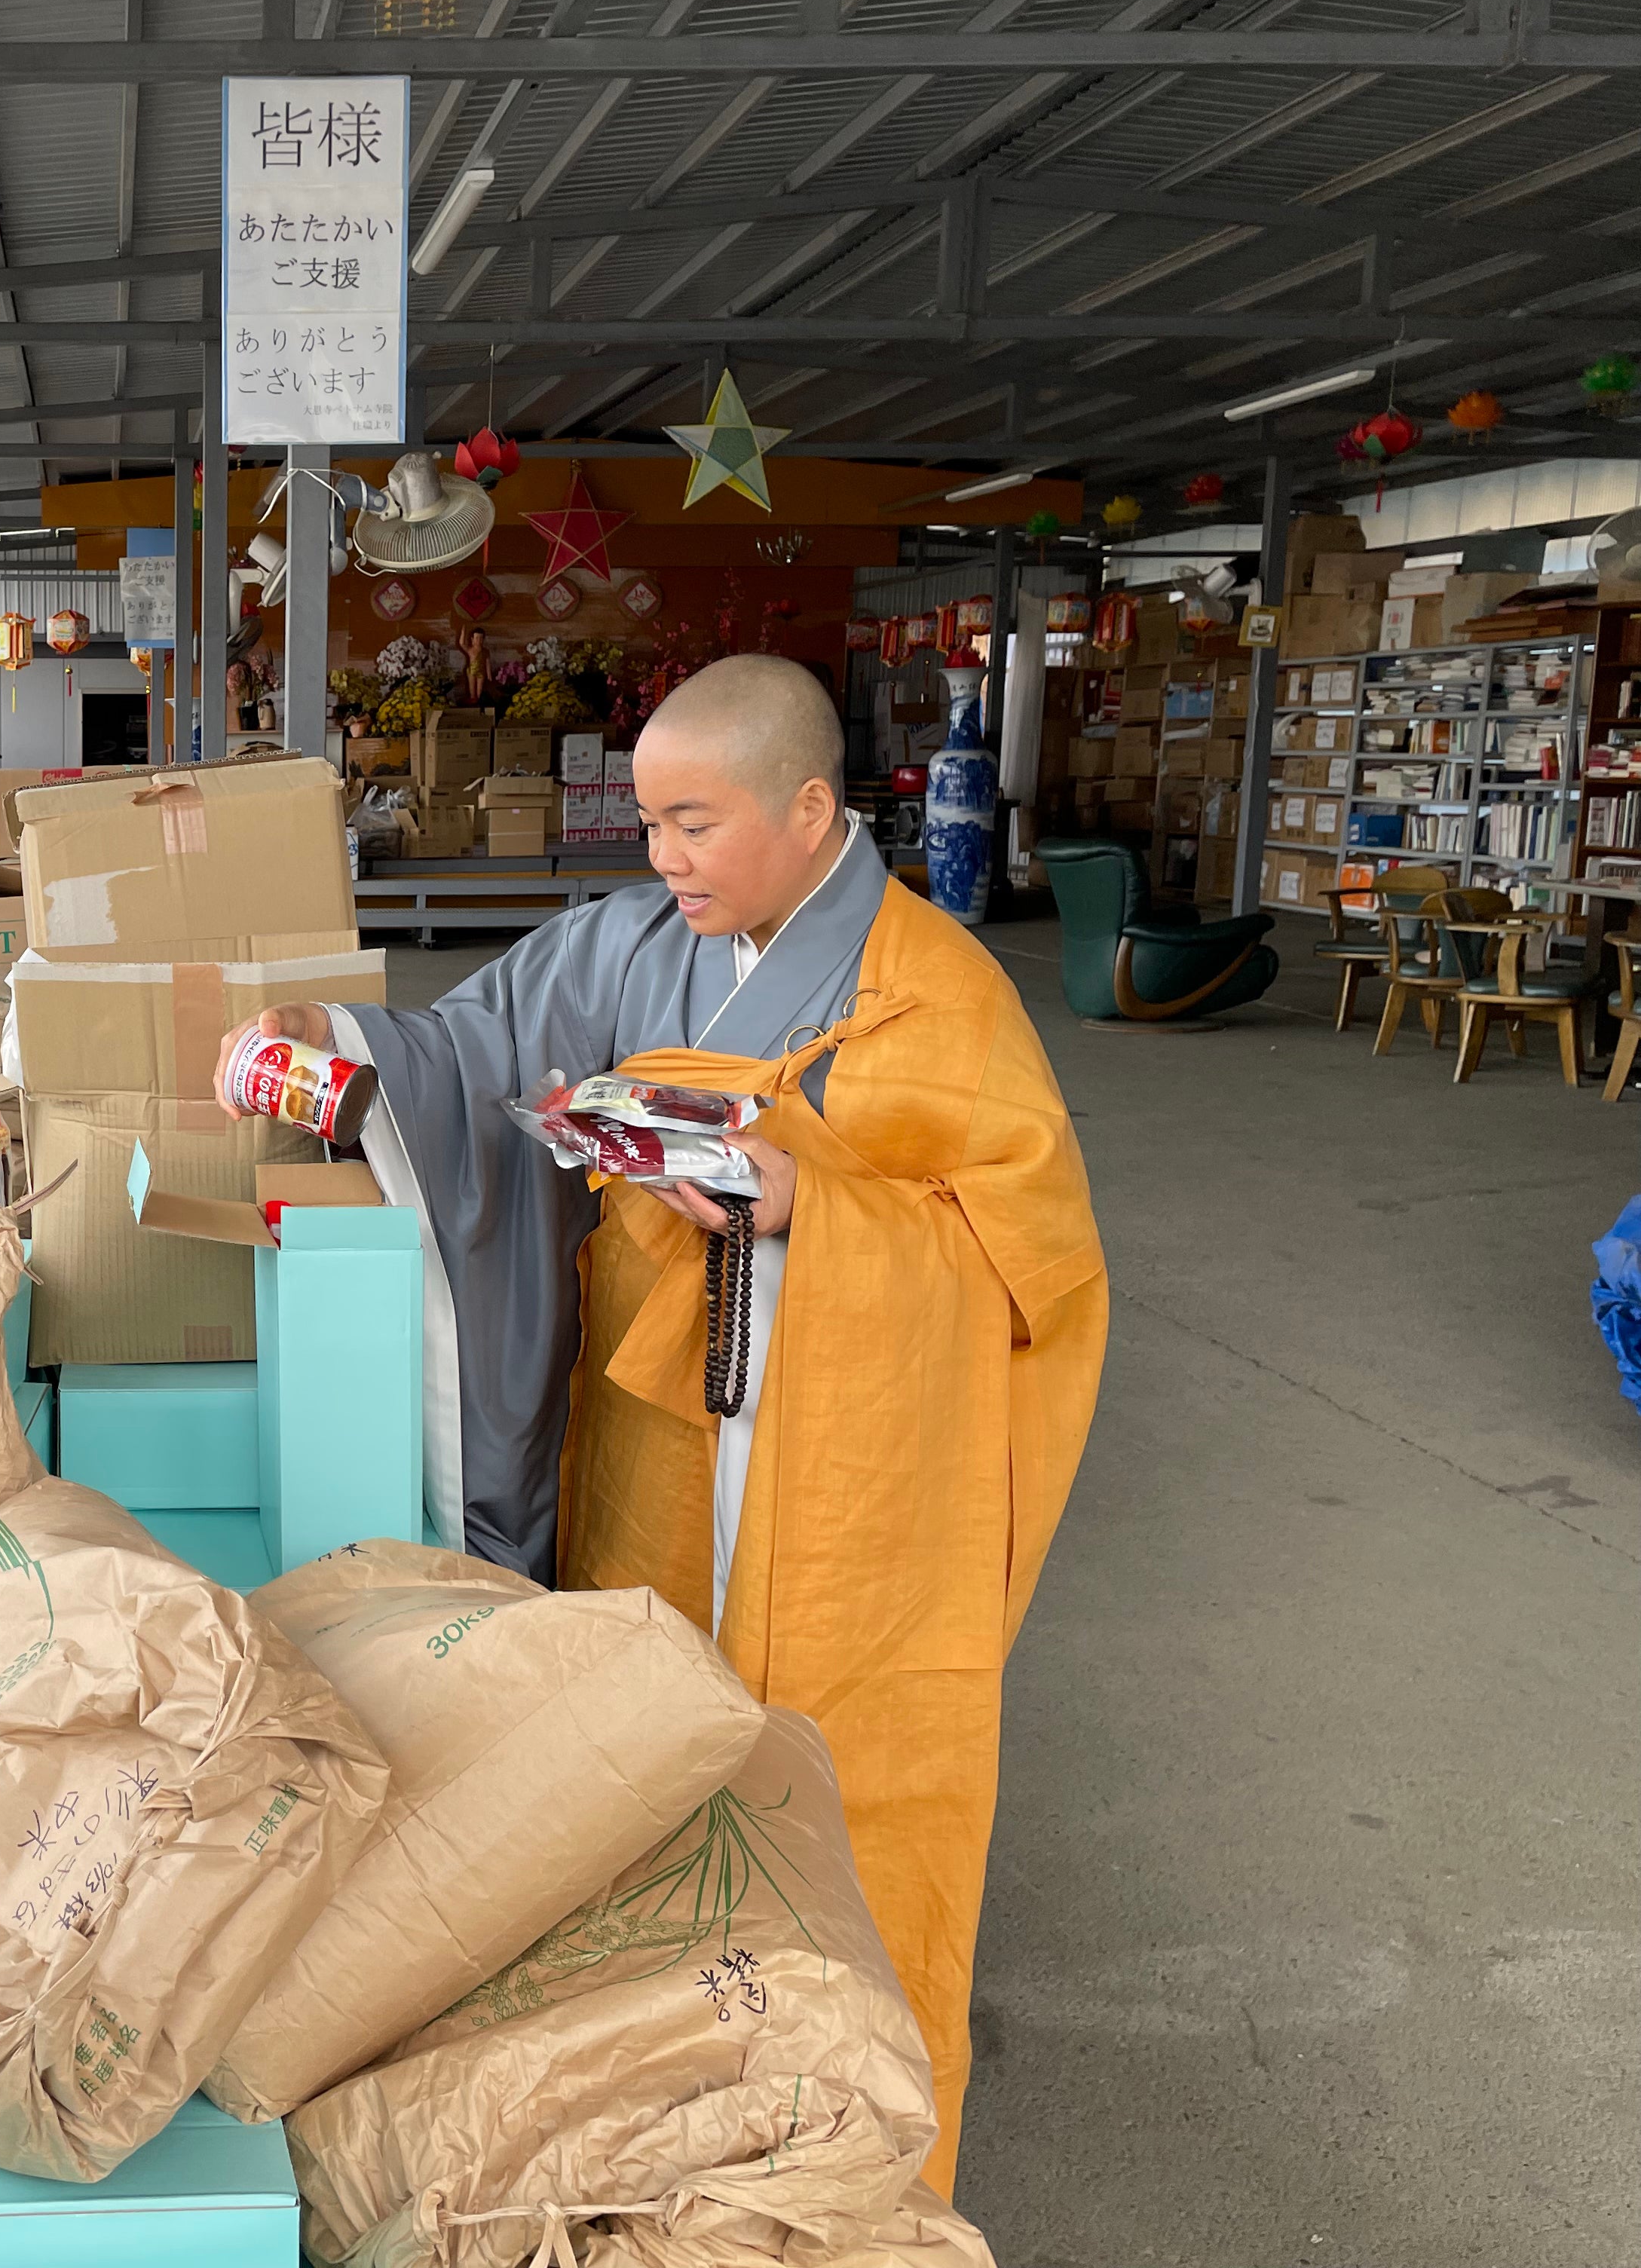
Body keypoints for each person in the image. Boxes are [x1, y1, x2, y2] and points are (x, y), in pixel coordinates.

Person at [216, 652, 1104, 2195]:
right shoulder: (631, 946)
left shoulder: (941, 1000)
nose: (662, 859)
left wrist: (804, 1201)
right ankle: (646, 2101)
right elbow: (478, 1051)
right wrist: (343, 1047)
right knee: (637, 1757)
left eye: (696, 824)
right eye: (649, 823)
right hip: (652, 1441)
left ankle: (844, 2143)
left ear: (812, 808)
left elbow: (1030, 1270)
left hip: (842, 1490)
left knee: (829, 1793)